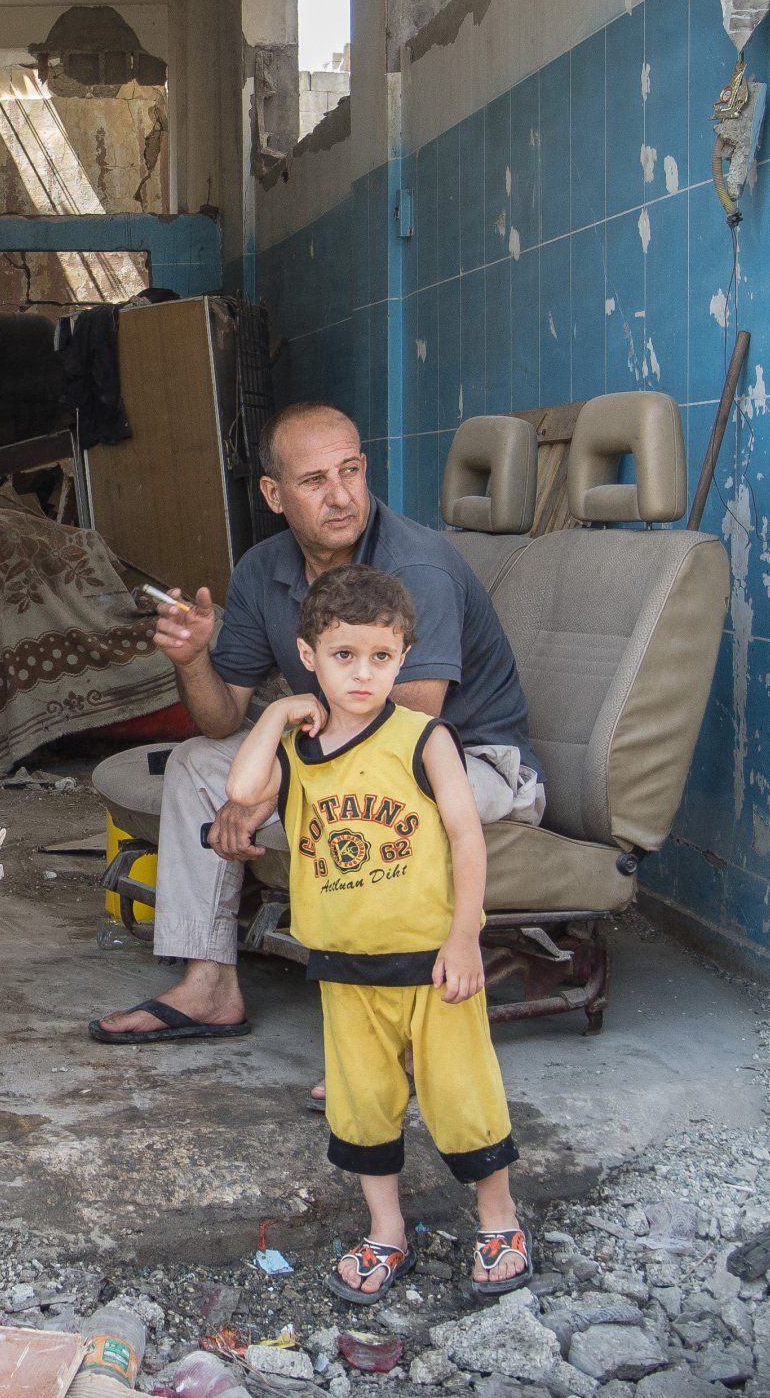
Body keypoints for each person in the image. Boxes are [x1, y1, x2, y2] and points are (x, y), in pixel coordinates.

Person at [90, 403, 543, 1057]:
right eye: (314, 480)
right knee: (196, 760)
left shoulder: (416, 567)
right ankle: (208, 984)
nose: (340, 495)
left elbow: (404, 733)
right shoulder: (262, 570)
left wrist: (272, 788)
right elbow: (221, 718)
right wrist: (192, 660)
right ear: (273, 494)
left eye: (350, 471)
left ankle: (394, 1026)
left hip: (468, 763)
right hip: (338, 752)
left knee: (369, 794)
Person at [226, 564, 528, 1301]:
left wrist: (464, 937)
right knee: (362, 1106)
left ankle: (500, 1219)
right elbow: (240, 791)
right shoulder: (298, 748)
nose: (363, 674)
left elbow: (467, 837)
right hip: (345, 966)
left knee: (462, 1096)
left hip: (432, 962)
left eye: (381, 657)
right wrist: (276, 713)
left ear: (403, 657)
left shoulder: (424, 738)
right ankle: (386, 1230)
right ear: (308, 655)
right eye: (343, 655)